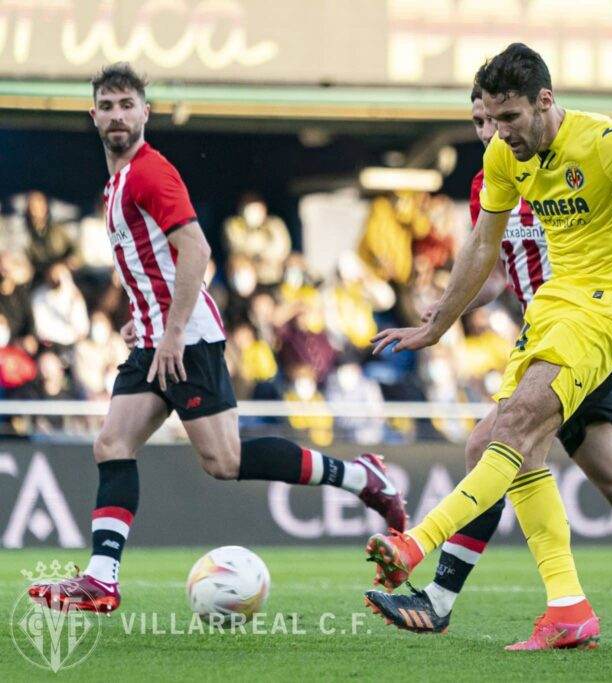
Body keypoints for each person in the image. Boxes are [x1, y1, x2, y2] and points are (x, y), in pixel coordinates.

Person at [365, 43, 612, 651]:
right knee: (608, 482)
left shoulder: (607, 142)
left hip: (599, 317)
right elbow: (480, 250)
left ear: (545, 101)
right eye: (488, 120)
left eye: (508, 118)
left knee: (505, 434)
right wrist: (438, 323)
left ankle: (416, 548)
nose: (497, 133)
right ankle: (569, 607)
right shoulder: (501, 158)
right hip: (547, 315)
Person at [27, 62, 407, 615]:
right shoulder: (117, 182)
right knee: (112, 444)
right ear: (93, 116)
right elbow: (151, 262)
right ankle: (101, 579)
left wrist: (173, 330)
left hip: (185, 340)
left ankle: (360, 476)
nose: (116, 115)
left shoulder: (150, 172)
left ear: (144, 113)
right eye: (106, 107)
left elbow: (197, 250)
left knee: (224, 461)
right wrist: (146, 318)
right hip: (156, 338)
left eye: (126, 105)